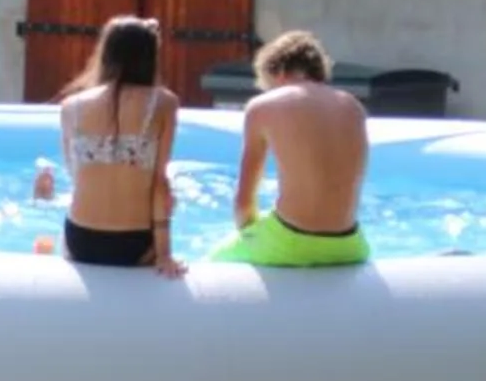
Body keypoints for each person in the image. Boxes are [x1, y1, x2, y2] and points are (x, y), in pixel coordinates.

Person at [31, 15, 186, 277]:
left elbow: (78, 176)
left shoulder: (71, 107)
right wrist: (164, 255)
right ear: (150, 56)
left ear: (106, 53)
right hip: (135, 243)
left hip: (81, 240)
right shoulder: (163, 103)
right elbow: (159, 184)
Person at [213, 29, 371, 268]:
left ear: (278, 72)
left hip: (292, 242)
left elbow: (243, 204)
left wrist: (249, 235)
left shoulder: (262, 107)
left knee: (213, 260)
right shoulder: (353, 106)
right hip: (350, 245)